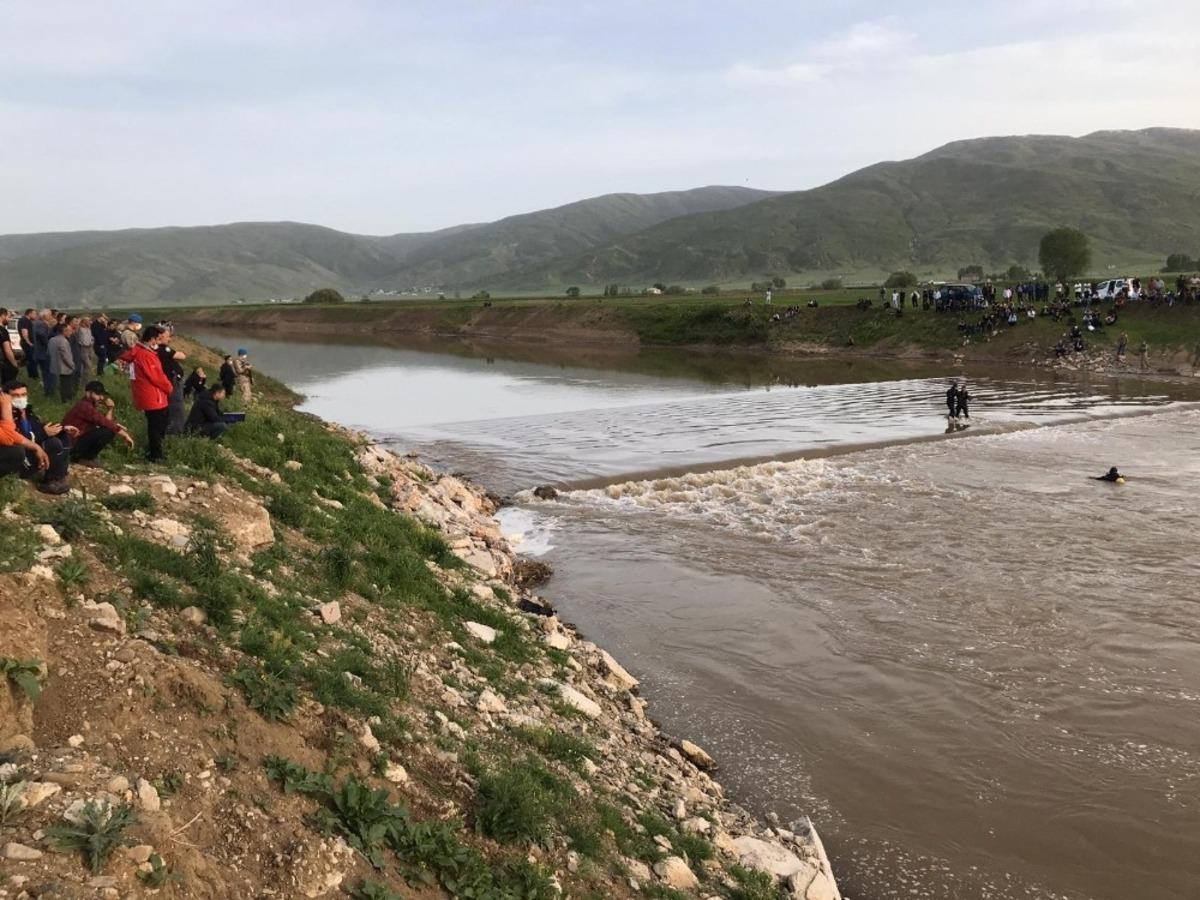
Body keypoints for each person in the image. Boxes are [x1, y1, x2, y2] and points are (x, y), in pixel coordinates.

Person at [0, 380, 72, 493]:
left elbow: (37, 427)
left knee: (63, 436)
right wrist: (43, 434)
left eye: (23, 394)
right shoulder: (5, 414)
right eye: (15, 395)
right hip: (18, 457)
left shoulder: (27, 411)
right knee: (53, 443)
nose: (20, 398)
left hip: (29, 448)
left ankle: (59, 475)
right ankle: (49, 482)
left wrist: (61, 428)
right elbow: (13, 438)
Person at [120, 325, 173, 462]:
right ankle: (156, 455)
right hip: (154, 397)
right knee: (157, 427)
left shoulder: (138, 352)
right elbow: (157, 377)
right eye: (158, 339)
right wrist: (169, 387)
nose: (160, 342)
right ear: (152, 339)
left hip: (147, 396)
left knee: (156, 425)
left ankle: (156, 452)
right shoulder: (146, 355)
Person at [63, 380, 135, 465]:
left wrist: (110, 409)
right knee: (108, 431)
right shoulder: (85, 406)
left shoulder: (87, 405)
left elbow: (105, 422)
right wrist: (124, 434)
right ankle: (86, 458)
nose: (101, 397)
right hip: (72, 444)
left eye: (102, 395)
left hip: (75, 442)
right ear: (88, 393)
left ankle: (84, 457)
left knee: (108, 430)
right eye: (98, 394)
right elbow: (104, 422)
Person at [155, 325, 187, 434]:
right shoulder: (162, 349)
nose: (169, 339)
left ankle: (174, 431)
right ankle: (176, 433)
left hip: (171, 381)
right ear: (160, 336)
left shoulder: (159, 349)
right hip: (172, 382)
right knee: (176, 407)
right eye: (168, 336)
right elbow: (182, 356)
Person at [48, 317, 80, 403]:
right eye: (69, 330)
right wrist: (73, 366)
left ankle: (64, 399)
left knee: (62, 384)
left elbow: (49, 352)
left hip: (55, 365)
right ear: (64, 331)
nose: (71, 332)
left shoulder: (52, 339)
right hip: (65, 367)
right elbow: (67, 357)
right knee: (67, 385)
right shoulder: (64, 341)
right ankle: (67, 401)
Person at [32, 309, 55, 394]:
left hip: (40, 353)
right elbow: (42, 335)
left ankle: (49, 391)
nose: (51, 317)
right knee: (48, 373)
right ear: (45, 316)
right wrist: (49, 344)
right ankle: (49, 392)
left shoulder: (37, 323)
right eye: (50, 315)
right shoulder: (42, 324)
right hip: (44, 353)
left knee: (46, 373)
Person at [17, 309, 37, 379]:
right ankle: (34, 376)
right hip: (27, 343)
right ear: (29, 314)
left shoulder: (26, 320)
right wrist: (29, 342)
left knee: (30, 359)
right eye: (34, 314)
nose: (36, 316)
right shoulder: (25, 320)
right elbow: (24, 331)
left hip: (27, 343)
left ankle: (32, 375)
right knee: (32, 359)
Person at [0, 308, 19, 384]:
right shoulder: (2, 331)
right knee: (8, 387)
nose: (10, 319)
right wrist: (14, 364)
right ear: (3, 316)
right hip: (4, 364)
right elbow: (7, 350)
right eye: (8, 317)